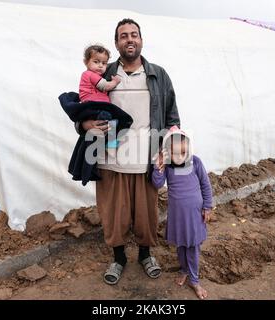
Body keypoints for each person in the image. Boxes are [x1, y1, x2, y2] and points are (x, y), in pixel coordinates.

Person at [74, 18, 180, 285]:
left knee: (146, 214)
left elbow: (172, 117)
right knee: (113, 214)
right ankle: (118, 258)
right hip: (110, 157)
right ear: (116, 43)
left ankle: (145, 254)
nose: (129, 39)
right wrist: (84, 124)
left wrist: (165, 150)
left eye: (134, 35)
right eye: (123, 36)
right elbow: (82, 105)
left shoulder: (158, 75)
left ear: (141, 40)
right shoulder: (102, 73)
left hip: (145, 159)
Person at [152, 126, 213, 300]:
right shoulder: (169, 167)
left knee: (192, 247)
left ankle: (194, 280)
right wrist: (159, 167)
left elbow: (205, 185)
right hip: (178, 217)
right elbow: (157, 184)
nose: (180, 157)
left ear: (189, 149)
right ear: (167, 153)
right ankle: (184, 269)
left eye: (183, 152)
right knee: (180, 246)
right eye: (175, 153)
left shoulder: (196, 162)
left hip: (194, 216)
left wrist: (207, 207)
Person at [79, 44, 121, 149]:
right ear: (86, 62)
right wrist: (115, 81)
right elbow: (105, 86)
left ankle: (107, 142)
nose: (101, 65)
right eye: (96, 62)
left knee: (109, 123)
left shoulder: (93, 75)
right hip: (94, 106)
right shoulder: (89, 74)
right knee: (107, 120)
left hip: (94, 106)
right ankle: (109, 143)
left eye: (104, 63)